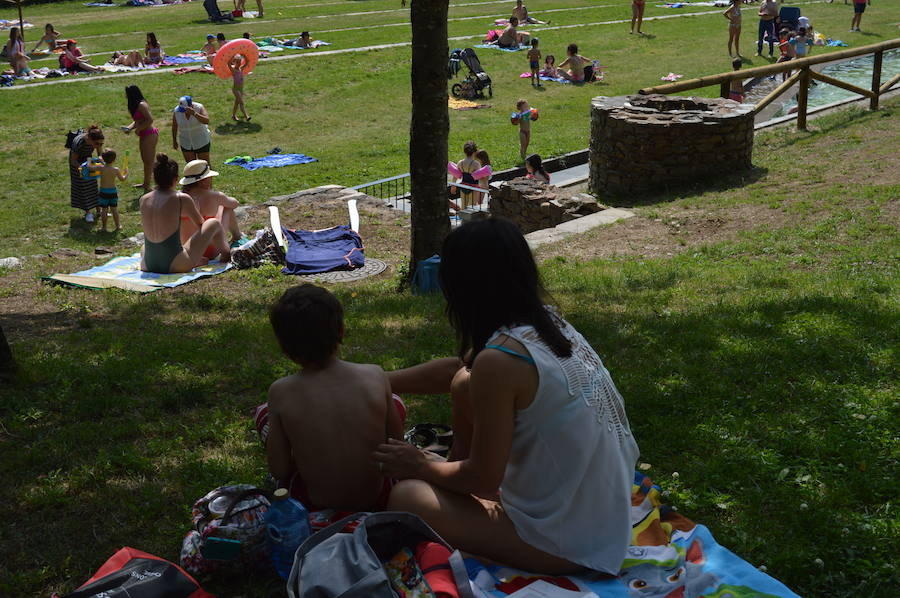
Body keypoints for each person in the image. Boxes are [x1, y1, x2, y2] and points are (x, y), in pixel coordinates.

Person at [373, 217, 640, 574]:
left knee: (407, 496)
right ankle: (457, 480)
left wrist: (420, 464)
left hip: (574, 546)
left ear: (460, 287)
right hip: (602, 522)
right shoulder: (544, 324)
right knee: (464, 383)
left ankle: (489, 546)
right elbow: (457, 369)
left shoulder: (501, 362)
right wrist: (375, 379)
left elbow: (484, 482)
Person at [260, 284, 405, 511]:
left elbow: (279, 471)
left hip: (318, 510)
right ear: (341, 331)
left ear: (284, 347)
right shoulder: (375, 375)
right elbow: (397, 446)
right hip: (379, 502)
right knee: (395, 402)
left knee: (263, 414)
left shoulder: (280, 392)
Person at [140, 154, 231, 273]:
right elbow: (201, 225)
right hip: (176, 265)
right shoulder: (181, 198)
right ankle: (226, 255)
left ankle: (192, 259)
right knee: (213, 223)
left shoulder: (144, 199)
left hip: (148, 265)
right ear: (176, 179)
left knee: (145, 246)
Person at [179, 159, 243, 254]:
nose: (211, 179)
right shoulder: (215, 196)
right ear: (203, 180)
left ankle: (237, 236)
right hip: (213, 250)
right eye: (209, 177)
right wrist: (223, 199)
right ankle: (237, 236)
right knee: (227, 208)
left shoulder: (179, 197)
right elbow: (235, 203)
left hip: (189, 251)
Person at [123, 85, 159, 192]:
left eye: (127, 94)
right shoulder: (136, 106)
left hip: (150, 134)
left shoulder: (142, 105)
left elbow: (150, 120)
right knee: (145, 161)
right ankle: (145, 183)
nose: (125, 96)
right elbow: (138, 121)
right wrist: (129, 128)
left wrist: (139, 129)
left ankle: (149, 185)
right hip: (144, 134)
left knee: (149, 161)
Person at [69, 125, 104, 222]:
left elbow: (99, 152)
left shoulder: (97, 141)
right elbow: (73, 161)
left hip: (88, 160)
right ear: (89, 139)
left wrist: (100, 157)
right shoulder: (78, 142)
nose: (99, 146)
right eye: (97, 144)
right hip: (77, 164)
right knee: (83, 187)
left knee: (93, 184)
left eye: (101, 144)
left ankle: (98, 210)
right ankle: (88, 212)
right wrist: (83, 168)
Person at [172, 95, 212, 164]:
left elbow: (206, 121)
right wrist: (174, 141)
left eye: (185, 110)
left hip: (201, 141)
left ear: (190, 106)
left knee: (205, 166)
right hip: (185, 142)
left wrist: (194, 114)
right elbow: (174, 127)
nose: (183, 112)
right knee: (191, 167)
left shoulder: (199, 107)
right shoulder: (177, 111)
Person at [98, 149, 127, 232]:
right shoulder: (116, 169)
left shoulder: (101, 168)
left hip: (103, 192)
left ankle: (104, 227)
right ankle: (118, 225)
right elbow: (122, 179)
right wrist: (126, 173)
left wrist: (89, 161)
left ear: (103, 159)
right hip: (113, 192)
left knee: (104, 210)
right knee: (114, 209)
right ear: (114, 160)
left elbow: (90, 168)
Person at [454, 141, 481, 209]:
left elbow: (455, 175)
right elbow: (479, 177)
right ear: (475, 152)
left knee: (463, 205)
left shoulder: (460, 163)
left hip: (463, 186)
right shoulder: (476, 164)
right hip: (473, 187)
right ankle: (471, 219)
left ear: (464, 152)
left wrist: (453, 186)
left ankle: (463, 219)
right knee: (473, 206)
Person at [229, 54, 251, 121]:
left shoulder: (241, 69)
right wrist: (231, 57)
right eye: (237, 62)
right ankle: (246, 116)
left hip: (241, 89)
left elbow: (247, 62)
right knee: (241, 102)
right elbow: (228, 64)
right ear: (234, 62)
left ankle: (233, 116)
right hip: (236, 89)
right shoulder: (233, 70)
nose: (239, 64)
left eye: (240, 62)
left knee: (237, 103)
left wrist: (244, 55)